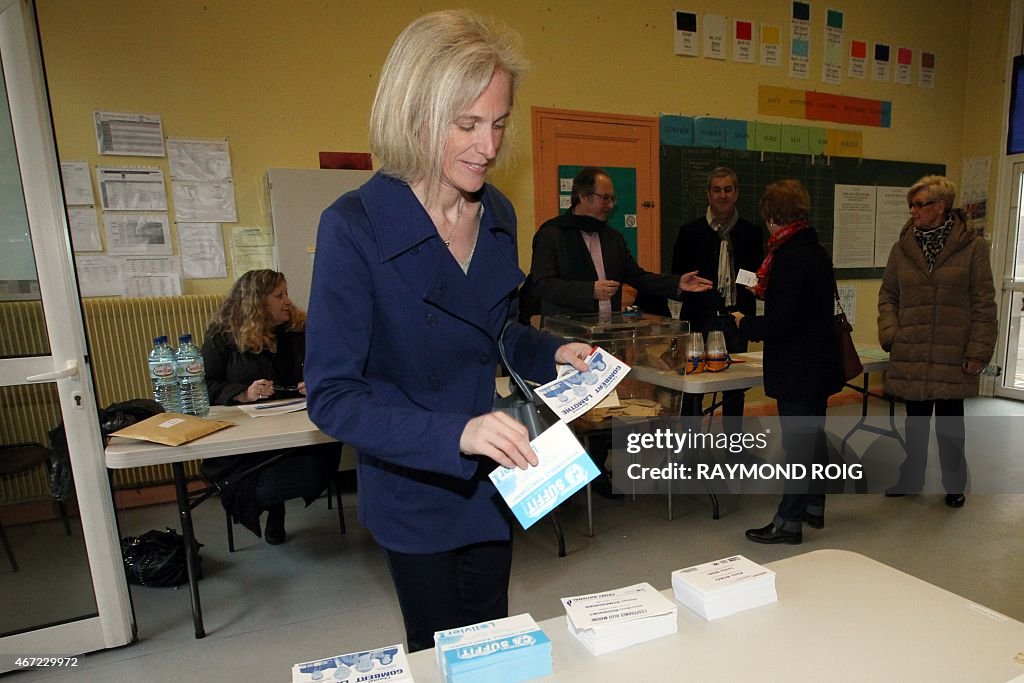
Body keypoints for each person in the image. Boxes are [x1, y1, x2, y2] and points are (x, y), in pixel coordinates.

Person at [303, 10, 592, 653]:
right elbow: (332, 395)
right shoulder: (354, 226)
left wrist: (554, 352)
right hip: (416, 482)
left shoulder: (497, 212)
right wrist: (457, 432)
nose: (488, 147)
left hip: (493, 478)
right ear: (414, 115)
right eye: (466, 125)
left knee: (490, 645)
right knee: (438, 654)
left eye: (498, 124)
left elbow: (498, 331)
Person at [732, 180, 845, 545]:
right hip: (817, 364)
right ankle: (814, 505)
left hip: (797, 367)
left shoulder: (788, 258)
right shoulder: (813, 249)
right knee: (811, 439)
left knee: (798, 443)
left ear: (772, 218)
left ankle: (788, 522)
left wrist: (744, 323)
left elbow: (781, 323)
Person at [877, 175, 996, 508]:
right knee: (914, 421)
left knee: (949, 423)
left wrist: (978, 351)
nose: (913, 211)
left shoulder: (973, 247)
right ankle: (910, 478)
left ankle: (954, 484)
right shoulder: (903, 248)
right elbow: (888, 294)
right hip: (911, 347)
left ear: (941, 207)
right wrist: (891, 334)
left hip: (952, 351)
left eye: (920, 204)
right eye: (911, 205)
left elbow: (984, 302)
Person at [201, 269, 341, 545]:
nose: (287, 301)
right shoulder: (223, 336)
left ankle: (275, 510)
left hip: (294, 430)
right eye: (279, 296)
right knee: (259, 483)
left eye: (286, 293)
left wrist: (314, 383)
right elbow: (204, 385)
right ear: (256, 302)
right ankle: (272, 510)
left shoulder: (298, 329)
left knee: (316, 468)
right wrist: (242, 393)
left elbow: (327, 367)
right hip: (247, 437)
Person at [529, 166, 712, 319]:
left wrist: (677, 283)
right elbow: (542, 285)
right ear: (583, 196)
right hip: (565, 337)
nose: (610, 205)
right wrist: (589, 290)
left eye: (612, 199)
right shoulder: (552, 234)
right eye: (605, 198)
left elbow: (638, 277)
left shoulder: (612, 238)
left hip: (606, 335)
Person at [672, 167, 763, 427]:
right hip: (699, 322)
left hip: (736, 321)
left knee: (735, 391)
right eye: (717, 190)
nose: (722, 195)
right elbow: (676, 277)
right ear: (708, 194)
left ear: (736, 193)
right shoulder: (690, 232)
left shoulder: (751, 232)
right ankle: (690, 454)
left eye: (728, 189)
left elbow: (757, 275)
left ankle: (733, 451)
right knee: (693, 390)